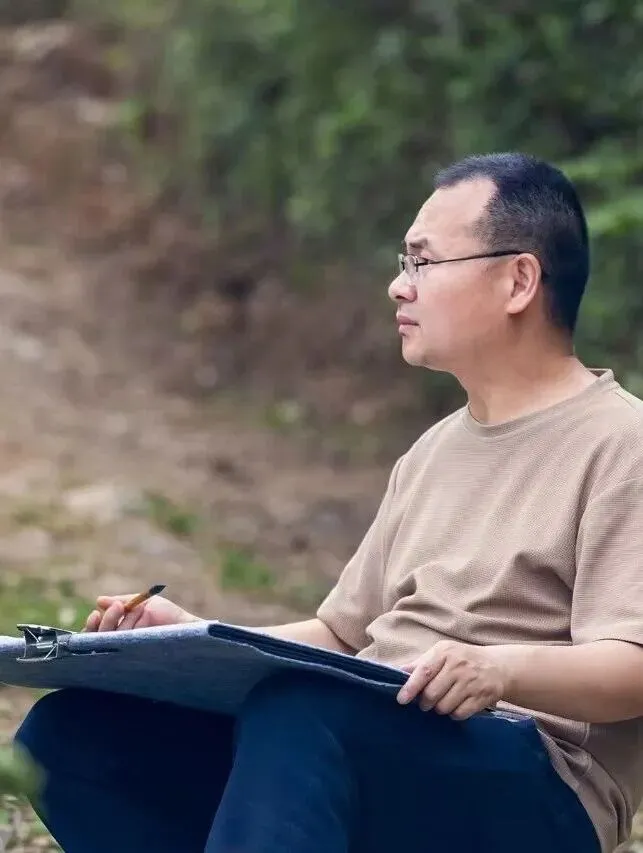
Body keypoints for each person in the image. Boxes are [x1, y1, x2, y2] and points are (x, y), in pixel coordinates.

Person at [13, 152, 643, 853]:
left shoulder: (620, 442)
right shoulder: (433, 450)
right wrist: (190, 638)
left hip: (534, 782)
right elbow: (344, 638)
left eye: (422, 261)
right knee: (71, 736)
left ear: (518, 280)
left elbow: (632, 664)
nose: (398, 286)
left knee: (302, 712)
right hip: (365, 739)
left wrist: (499, 668)